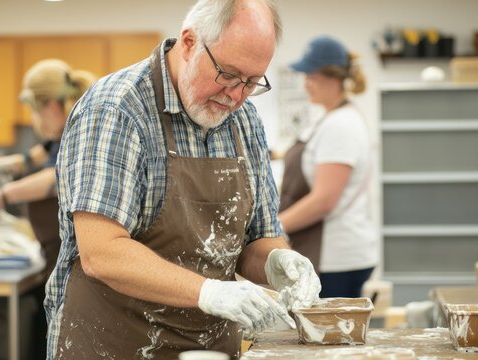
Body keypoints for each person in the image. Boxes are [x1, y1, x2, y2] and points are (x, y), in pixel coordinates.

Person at [46, 1, 322, 359]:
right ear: (189, 43)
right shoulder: (117, 108)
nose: (236, 96)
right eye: (228, 74)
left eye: (252, 82)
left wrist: (277, 262)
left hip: (210, 350)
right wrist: (209, 292)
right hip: (114, 344)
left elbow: (257, 239)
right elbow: (101, 252)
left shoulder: (245, 121)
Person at [0, 59, 96, 360]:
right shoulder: (61, 132)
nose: (35, 119)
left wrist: (3, 195)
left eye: (35, 111)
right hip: (56, 259)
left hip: (78, 267)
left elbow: (57, 175)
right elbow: (41, 153)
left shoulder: (82, 128)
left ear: (51, 104)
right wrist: (13, 164)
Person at [278, 35, 379, 299]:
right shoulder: (330, 119)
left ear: (332, 78)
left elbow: (324, 200)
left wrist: (274, 228)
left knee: (330, 335)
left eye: (311, 76)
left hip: (337, 260)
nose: (306, 83)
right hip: (328, 253)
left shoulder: (341, 125)